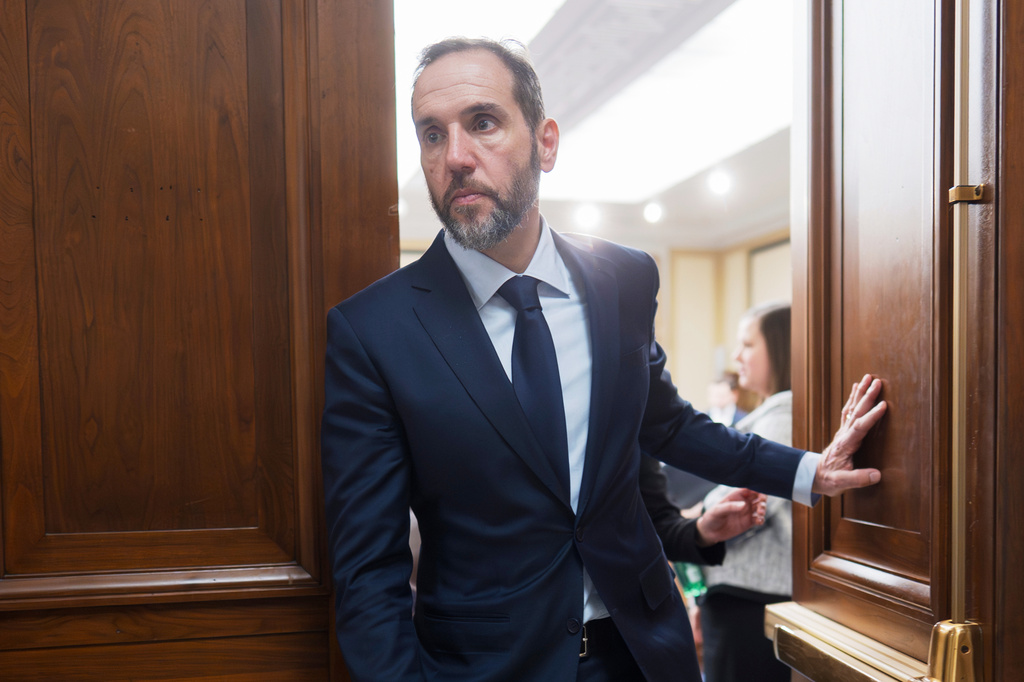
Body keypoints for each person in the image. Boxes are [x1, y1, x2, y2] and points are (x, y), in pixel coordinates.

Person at [320, 37, 886, 682]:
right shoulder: (375, 330)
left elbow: (668, 424)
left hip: (643, 653)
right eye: (431, 134)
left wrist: (810, 471)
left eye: (483, 122)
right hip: (488, 666)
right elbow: (367, 570)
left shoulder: (622, 277)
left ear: (546, 143)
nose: (455, 156)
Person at [696, 302, 796, 682]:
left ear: (781, 347)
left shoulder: (783, 417)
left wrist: (698, 512)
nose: (737, 356)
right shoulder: (771, 414)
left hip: (752, 597)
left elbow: (738, 503)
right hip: (743, 594)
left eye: (748, 344)